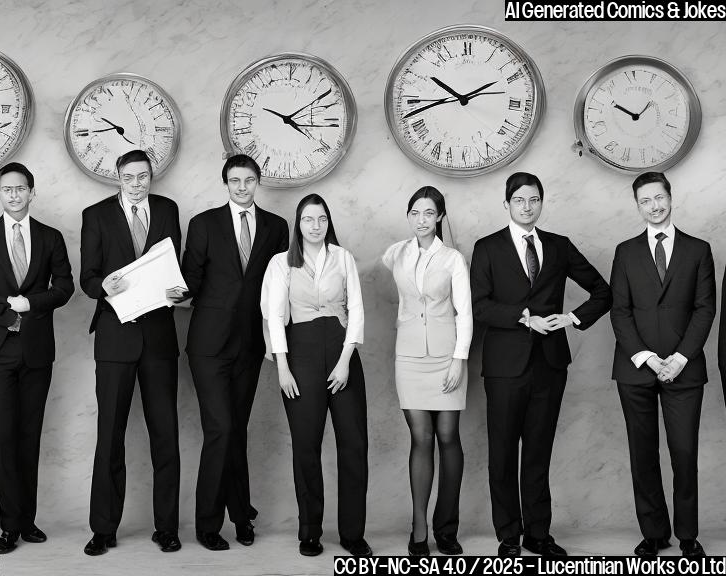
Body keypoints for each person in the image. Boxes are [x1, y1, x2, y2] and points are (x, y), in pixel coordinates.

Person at [469, 172, 611, 557]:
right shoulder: (488, 248)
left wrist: (572, 318)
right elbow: (479, 306)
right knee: (502, 453)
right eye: (519, 201)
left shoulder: (559, 246)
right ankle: (509, 537)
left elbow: (603, 292)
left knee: (537, 452)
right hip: (503, 367)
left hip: (549, 365)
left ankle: (538, 534)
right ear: (507, 205)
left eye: (534, 200)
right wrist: (523, 317)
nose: (527, 207)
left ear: (542, 203)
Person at [80, 149, 187, 556]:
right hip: (115, 337)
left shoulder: (167, 209)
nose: (137, 183)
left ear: (151, 177)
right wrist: (102, 287)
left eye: (143, 176)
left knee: (166, 436)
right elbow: (86, 277)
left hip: (159, 336)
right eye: (130, 177)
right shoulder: (96, 215)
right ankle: (103, 528)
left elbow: (174, 268)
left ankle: (167, 527)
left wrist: (182, 292)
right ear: (118, 177)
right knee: (110, 435)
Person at [181, 154, 288, 551]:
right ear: (224, 183)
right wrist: (166, 290)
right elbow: (190, 279)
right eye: (234, 181)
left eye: (248, 180)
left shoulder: (277, 227)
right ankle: (208, 524)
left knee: (236, 431)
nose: (241, 187)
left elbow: (277, 288)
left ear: (258, 182)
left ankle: (242, 515)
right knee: (220, 430)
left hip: (249, 343)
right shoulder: (204, 224)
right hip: (208, 345)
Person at [0, 163, 74, 555]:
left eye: (19, 189)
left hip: (35, 352)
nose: (12, 195)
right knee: (3, 437)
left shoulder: (50, 237)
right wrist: (9, 316)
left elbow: (65, 287)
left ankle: (27, 520)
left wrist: (30, 303)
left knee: (29, 437)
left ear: (32, 192)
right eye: (6, 189)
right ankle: (9, 525)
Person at [610, 172, 715, 558]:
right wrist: (648, 358)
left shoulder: (699, 250)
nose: (654, 206)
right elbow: (619, 312)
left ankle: (687, 535)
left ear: (670, 197)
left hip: (684, 368)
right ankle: (655, 533)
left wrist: (681, 358)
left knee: (684, 453)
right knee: (643, 452)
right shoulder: (625, 251)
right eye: (645, 201)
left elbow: (706, 310)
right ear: (637, 206)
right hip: (636, 368)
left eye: (659, 198)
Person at [261, 193, 369, 557]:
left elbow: (356, 309)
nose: (316, 225)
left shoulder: (343, 258)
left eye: (322, 218)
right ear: (298, 223)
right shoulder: (281, 263)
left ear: (328, 222)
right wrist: (283, 367)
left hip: (342, 353)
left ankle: (353, 533)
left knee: (354, 445)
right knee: (306, 447)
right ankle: (310, 531)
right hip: (300, 356)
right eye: (309, 219)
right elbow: (275, 316)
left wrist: (345, 360)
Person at [381, 187, 470, 557]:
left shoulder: (453, 259)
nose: (421, 219)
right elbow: (400, 288)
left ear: (439, 218)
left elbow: (464, 312)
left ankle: (446, 529)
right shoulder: (396, 254)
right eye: (415, 212)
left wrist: (458, 359)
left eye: (429, 213)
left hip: (447, 356)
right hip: (410, 357)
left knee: (447, 435)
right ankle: (419, 529)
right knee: (421, 438)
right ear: (409, 216)